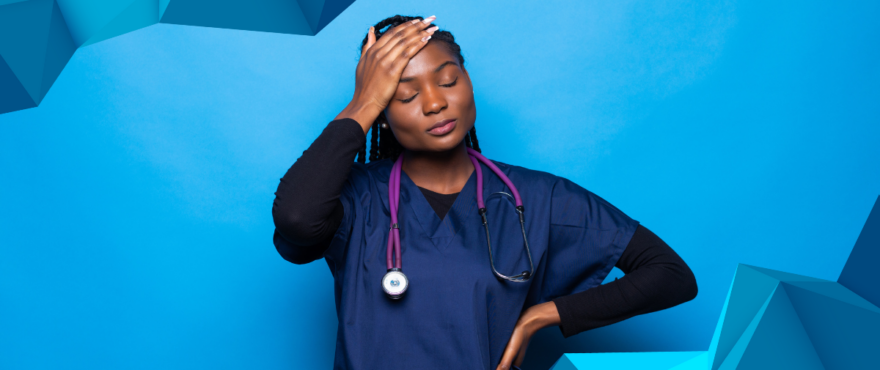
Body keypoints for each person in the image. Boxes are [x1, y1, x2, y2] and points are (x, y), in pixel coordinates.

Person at [272, 14, 698, 370]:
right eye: (404, 95)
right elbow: (296, 218)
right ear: (383, 116)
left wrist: (542, 316)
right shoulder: (357, 199)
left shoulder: (536, 198)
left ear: (468, 82)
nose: (435, 103)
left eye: (449, 80)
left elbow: (670, 275)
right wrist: (364, 102)